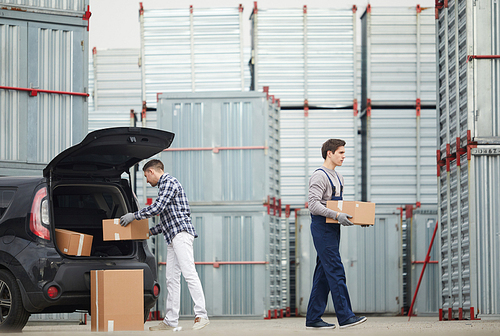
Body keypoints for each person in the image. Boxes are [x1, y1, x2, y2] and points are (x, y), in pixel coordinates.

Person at [120, 159, 209, 331]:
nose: (147, 180)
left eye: (146, 176)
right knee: (171, 280)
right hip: (173, 236)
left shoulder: (169, 182)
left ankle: (202, 315)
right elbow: (167, 220)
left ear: (152, 171)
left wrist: (135, 215)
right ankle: (170, 321)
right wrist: (148, 232)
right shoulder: (165, 187)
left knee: (189, 273)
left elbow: (158, 207)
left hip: (181, 235)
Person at [305, 139, 367, 330]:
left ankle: (313, 318)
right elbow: (313, 205)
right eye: (340, 152)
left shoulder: (339, 177)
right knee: (336, 270)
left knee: (323, 273)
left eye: (344, 153)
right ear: (329, 153)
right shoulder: (319, 176)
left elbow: (337, 206)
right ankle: (346, 316)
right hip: (321, 227)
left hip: (332, 228)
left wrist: (357, 218)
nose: (344, 156)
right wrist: (337, 215)